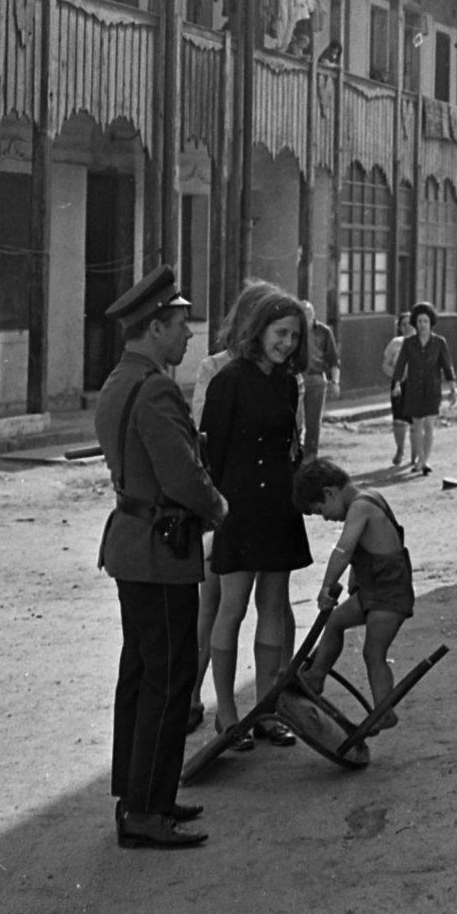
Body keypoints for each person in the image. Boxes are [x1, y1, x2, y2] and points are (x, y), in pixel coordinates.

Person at [94, 264, 229, 850]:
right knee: (169, 677)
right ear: (153, 328)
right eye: (180, 324)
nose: (189, 335)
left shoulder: (118, 380)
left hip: (132, 542)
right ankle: (146, 811)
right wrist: (220, 508)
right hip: (160, 549)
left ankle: (141, 794)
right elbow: (184, 475)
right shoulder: (156, 388)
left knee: (143, 671)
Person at [200, 285, 312, 749]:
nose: (286, 343)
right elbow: (211, 455)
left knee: (273, 607)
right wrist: (220, 510)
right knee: (232, 607)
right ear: (258, 329)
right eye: (280, 333)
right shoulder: (228, 380)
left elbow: (293, 445)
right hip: (239, 507)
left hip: (278, 507)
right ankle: (227, 715)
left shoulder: (288, 383)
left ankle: (266, 710)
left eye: (294, 337)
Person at [185, 279, 270, 735]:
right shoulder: (215, 367)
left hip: (263, 504)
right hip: (224, 501)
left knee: (268, 604)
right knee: (214, 603)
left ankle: (266, 707)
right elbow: (202, 435)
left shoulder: (281, 371)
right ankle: (194, 697)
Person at [292, 458, 414, 727]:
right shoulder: (369, 498)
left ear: (329, 493)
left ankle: (384, 710)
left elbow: (344, 550)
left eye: (320, 509)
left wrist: (326, 585)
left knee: (373, 653)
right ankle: (316, 676)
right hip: (374, 590)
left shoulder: (361, 506)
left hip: (389, 594)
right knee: (334, 622)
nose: (325, 517)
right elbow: (371, 550)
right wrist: (353, 581)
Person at [389, 301, 457, 476]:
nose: (422, 325)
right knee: (416, 425)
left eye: (425, 321)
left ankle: (425, 460)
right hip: (413, 389)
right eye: (419, 322)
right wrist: (397, 383)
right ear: (415, 323)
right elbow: (401, 364)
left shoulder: (439, 343)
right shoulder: (409, 343)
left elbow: (447, 366)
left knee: (429, 425)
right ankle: (420, 458)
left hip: (433, 389)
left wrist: (452, 388)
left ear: (431, 322)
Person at [300, 301, 341, 459]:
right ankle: (296, 454)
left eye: (309, 313)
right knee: (295, 420)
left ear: (314, 314)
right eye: (303, 313)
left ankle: (310, 456)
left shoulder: (323, 332)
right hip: (297, 377)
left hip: (316, 378)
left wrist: (335, 382)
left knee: (313, 421)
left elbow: (333, 359)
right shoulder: (295, 332)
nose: (306, 317)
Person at [380, 314, 414, 467]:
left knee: (417, 421)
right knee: (399, 419)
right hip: (399, 384)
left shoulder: (423, 342)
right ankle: (400, 449)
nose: (407, 327)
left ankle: (417, 454)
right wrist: (397, 374)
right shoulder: (395, 344)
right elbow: (385, 365)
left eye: (410, 323)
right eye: (403, 324)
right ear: (399, 326)